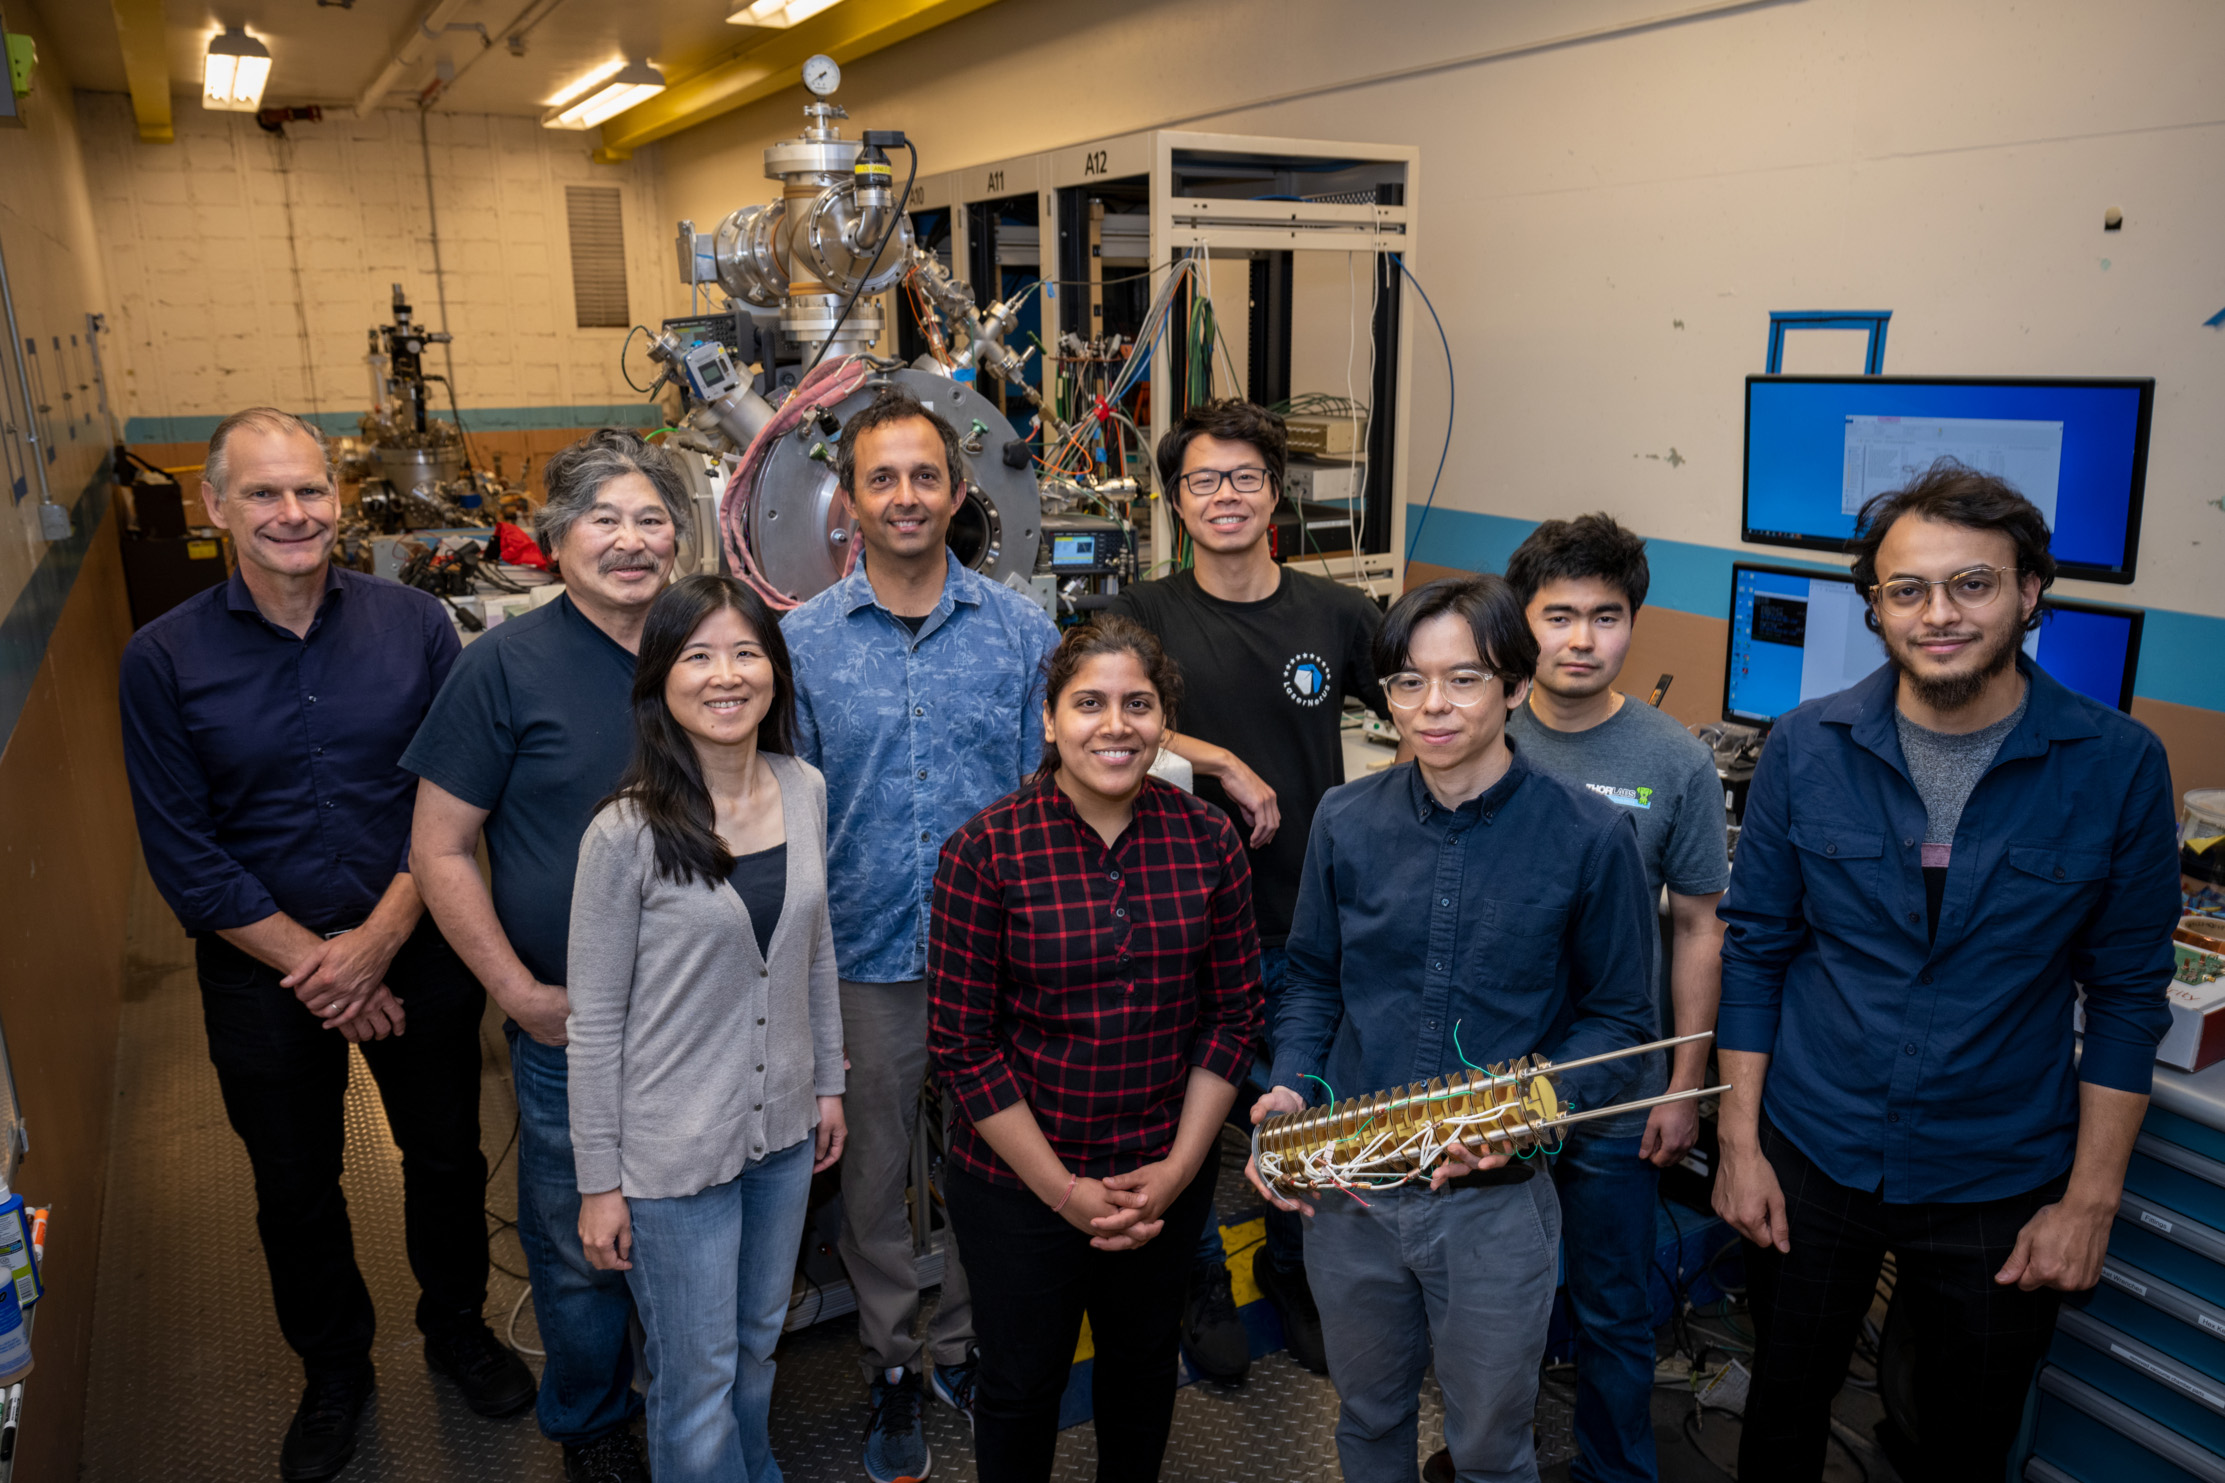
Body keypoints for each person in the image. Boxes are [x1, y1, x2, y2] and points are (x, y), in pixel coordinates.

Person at [1713, 462, 2179, 1482]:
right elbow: (1756, 951)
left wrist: (2087, 1201)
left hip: (1998, 1176)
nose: (1938, 613)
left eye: (1971, 583)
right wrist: (1737, 1144)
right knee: (1779, 1419)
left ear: (2029, 594)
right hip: (1811, 1147)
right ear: (1874, 608)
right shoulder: (1803, 746)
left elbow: (2126, 997)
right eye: (1906, 589)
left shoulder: (2117, 766)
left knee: (1961, 1446)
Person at [119, 408, 533, 1482]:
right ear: (216, 507)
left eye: (308, 490)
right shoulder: (159, 661)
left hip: (418, 944)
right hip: (262, 974)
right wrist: (329, 968)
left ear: (337, 500)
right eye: (262, 494)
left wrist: (383, 940)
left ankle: (457, 1330)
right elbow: (187, 855)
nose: (291, 513)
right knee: (294, 1185)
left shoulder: (416, 627)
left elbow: (455, 801)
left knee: (446, 1155)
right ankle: (335, 1369)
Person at [1247, 574, 1656, 1483]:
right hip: (1351, 1192)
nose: (1431, 706)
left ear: (1515, 686)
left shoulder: (1589, 837)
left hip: (1495, 1205)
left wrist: (1531, 1106)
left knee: (1487, 1446)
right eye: (1407, 682)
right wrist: (1290, 1080)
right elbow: (1313, 978)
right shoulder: (1345, 821)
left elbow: (1622, 1019)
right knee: (1368, 1418)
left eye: (1464, 679)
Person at [781, 387, 1061, 1482]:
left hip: (995, 954)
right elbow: (789, 810)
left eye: (924, 477)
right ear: (847, 502)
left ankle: (969, 1340)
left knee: (995, 1164)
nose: (905, 497)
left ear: (959, 493)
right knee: (875, 1179)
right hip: (862, 958)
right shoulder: (797, 644)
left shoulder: (1020, 632)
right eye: (880, 478)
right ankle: (892, 1362)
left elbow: (1050, 787)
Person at [406, 428, 694, 1483]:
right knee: (580, 1251)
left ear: (679, 533)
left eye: (650, 518)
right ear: (555, 538)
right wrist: (518, 993)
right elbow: (437, 848)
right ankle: (590, 1422)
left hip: (704, 1017)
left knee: (695, 1226)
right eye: (603, 520)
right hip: (571, 1025)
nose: (629, 541)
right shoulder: (500, 668)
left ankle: (694, 1402)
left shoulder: (710, 648)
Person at [928, 616, 1263, 1483]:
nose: (1115, 725)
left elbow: (1231, 1018)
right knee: (1020, 1381)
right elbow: (963, 1048)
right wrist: (1065, 1192)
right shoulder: (984, 851)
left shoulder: (1207, 841)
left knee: (1144, 1364)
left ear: (1163, 722)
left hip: (1159, 1171)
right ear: (1048, 720)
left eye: (1137, 704)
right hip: (1018, 1185)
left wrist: (1181, 1168)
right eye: (1088, 703)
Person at [1107, 398, 1387, 1379]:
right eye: (1201, 481)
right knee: (1162, 1115)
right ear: (1174, 502)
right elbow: (1092, 714)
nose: (1223, 497)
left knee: (1296, 1110)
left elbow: (1432, 698)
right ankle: (1193, 1280)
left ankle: (1290, 1266)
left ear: (1273, 492)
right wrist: (1214, 756)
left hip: (1300, 922)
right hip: (1165, 927)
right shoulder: (1141, 615)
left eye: (1242, 478)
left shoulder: (1336, 614)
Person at [567, 575, 848, 1483]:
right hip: (669, 1157)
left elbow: (814, 952)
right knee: (697, 1377)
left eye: (744, 652)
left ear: (774, 671)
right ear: (659, 682)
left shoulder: (802, 786)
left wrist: (828, 1083)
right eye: (697, 656)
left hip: (781, 1133)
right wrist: (599, 1183)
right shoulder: (625, 832)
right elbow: (595, 1022)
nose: (725, 676)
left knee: (760, 1342)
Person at [1496, 513, 1729, 1483]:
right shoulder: (1477, 732)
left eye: (1605, 615)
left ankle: (1613, 1472)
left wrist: (1680, 1084)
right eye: (1558, 615)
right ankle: (1487, 1460)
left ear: (1634, 622)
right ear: (1522, 619)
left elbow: (1695, 927)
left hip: (1613, 1088)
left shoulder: (1671, 759)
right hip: (1492, 1081)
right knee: (1486, 1303)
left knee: (1611, 1307)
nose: (1580, 639)